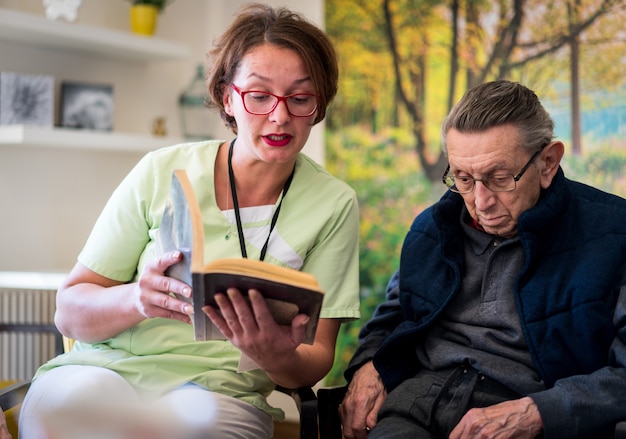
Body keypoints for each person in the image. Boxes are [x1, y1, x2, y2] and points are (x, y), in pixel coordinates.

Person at [18, 3, 360, 438]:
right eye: (258, 96)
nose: (280, 116)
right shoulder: (159, 170)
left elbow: (313, 361)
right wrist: (136, 300)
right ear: (226, 97)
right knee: (84, 418)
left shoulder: (334, 204)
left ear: (319, 103)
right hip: (102, 371)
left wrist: (275, 354)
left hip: (221, 394)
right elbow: (69, 312)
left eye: (300, 97)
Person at [339, 79, 626, 439]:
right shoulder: (432, 228)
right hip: (413, 409)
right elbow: (394, 319)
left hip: (525, 416)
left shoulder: (615, 232)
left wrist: (540, 412)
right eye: (463, 178)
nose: (480, 201)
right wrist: (370, 365)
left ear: (548, 162)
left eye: (499, 178)